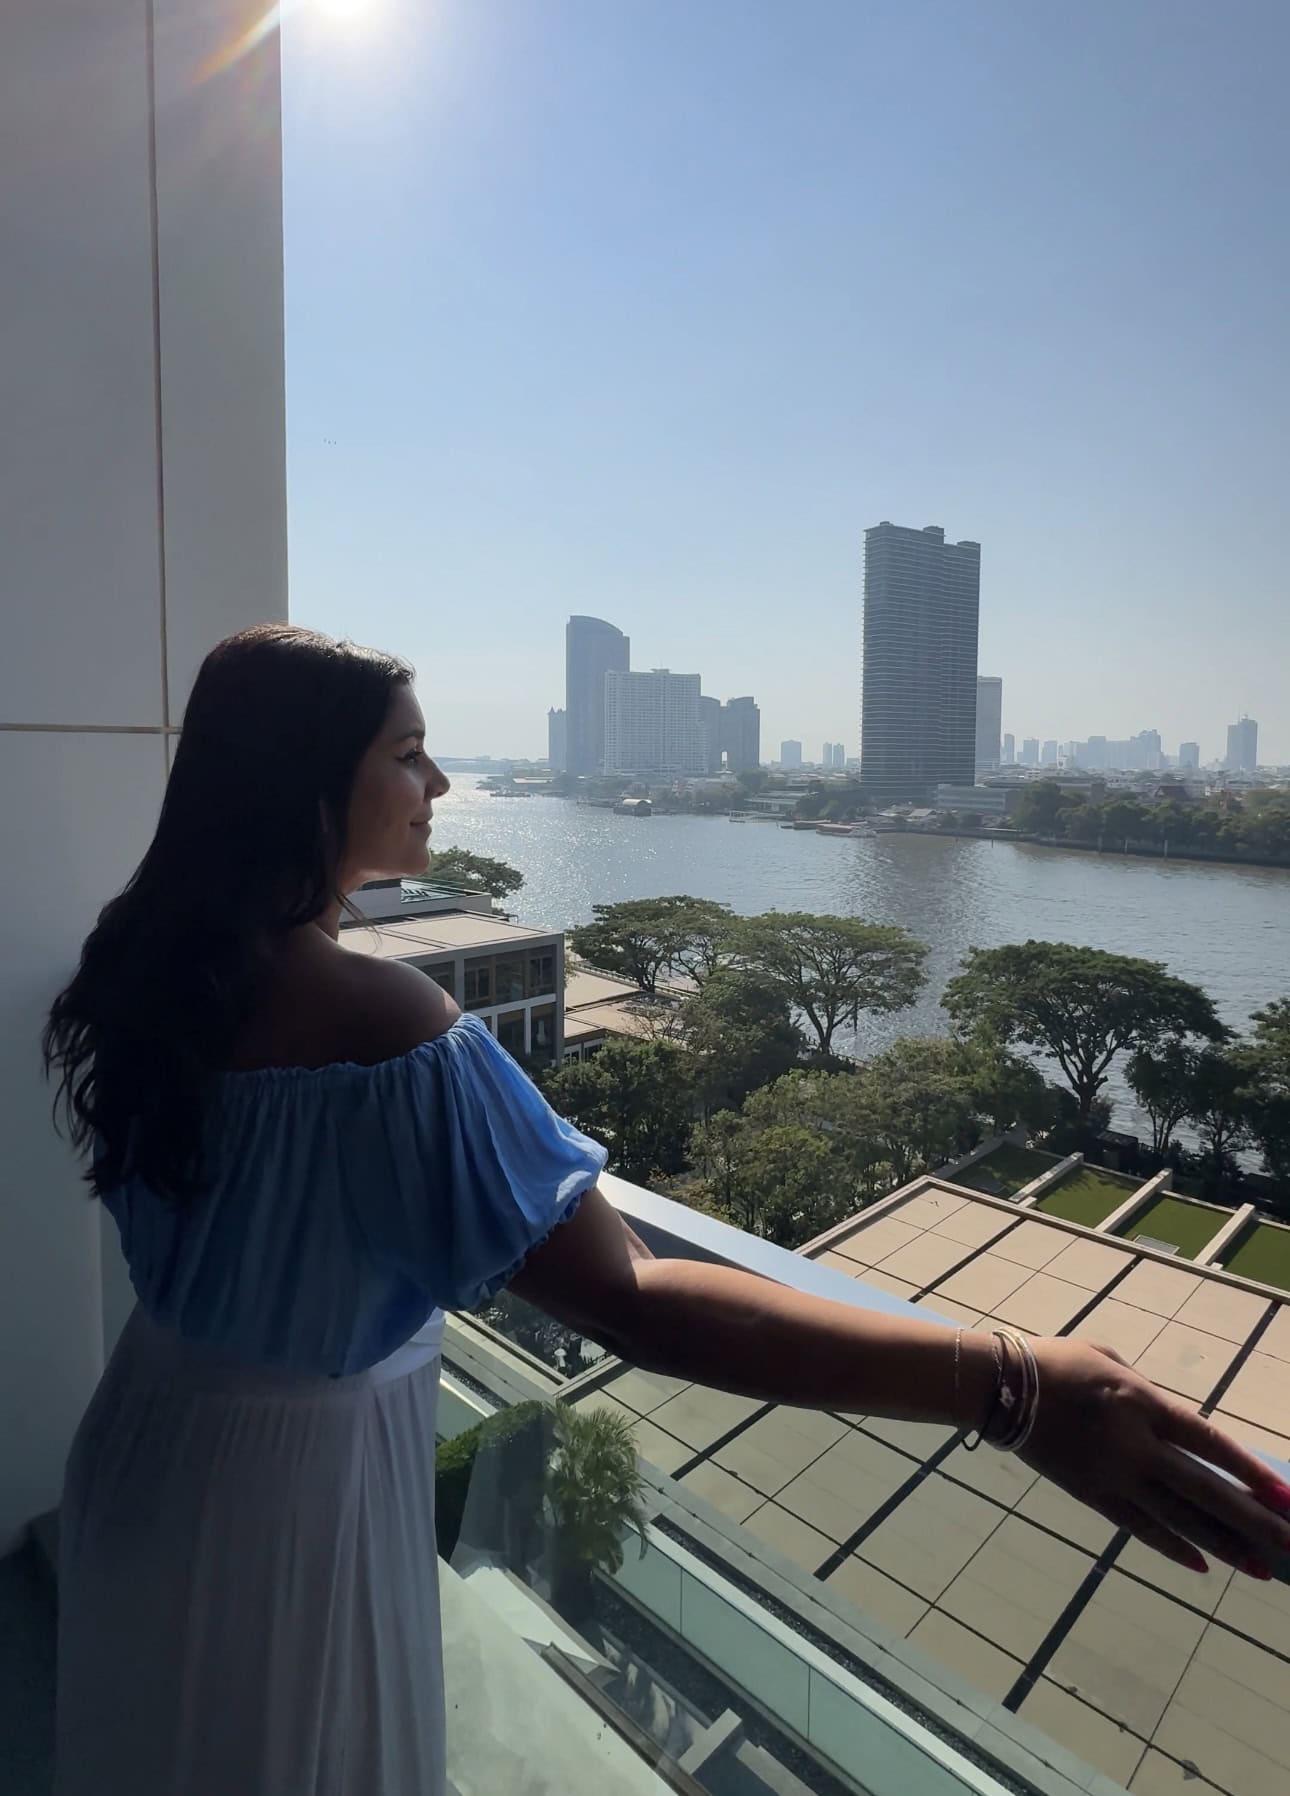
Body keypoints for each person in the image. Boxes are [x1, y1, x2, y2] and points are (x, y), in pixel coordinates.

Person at [45, 624, 1290, 1796]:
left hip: (147, 1441)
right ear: (307, 782)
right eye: (408, 751)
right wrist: (1015, 1383)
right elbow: (634, 1296)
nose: (439, 781)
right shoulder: (389, 1028)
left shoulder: (147, 968)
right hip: (291, 1512)